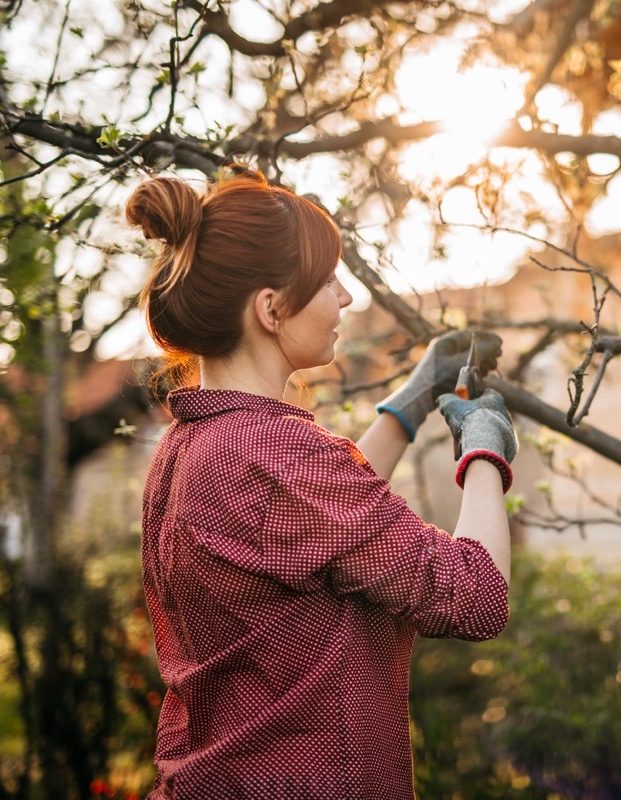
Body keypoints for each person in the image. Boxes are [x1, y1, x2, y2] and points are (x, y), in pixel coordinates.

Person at [127, 164, 517, 800]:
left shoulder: (188, 448)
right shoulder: (276, 453)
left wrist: (412, 401)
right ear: (272, 308)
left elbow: (317, 529)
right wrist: (484, 449)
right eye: (326, 280)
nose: (346, 297)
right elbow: (475, 596)